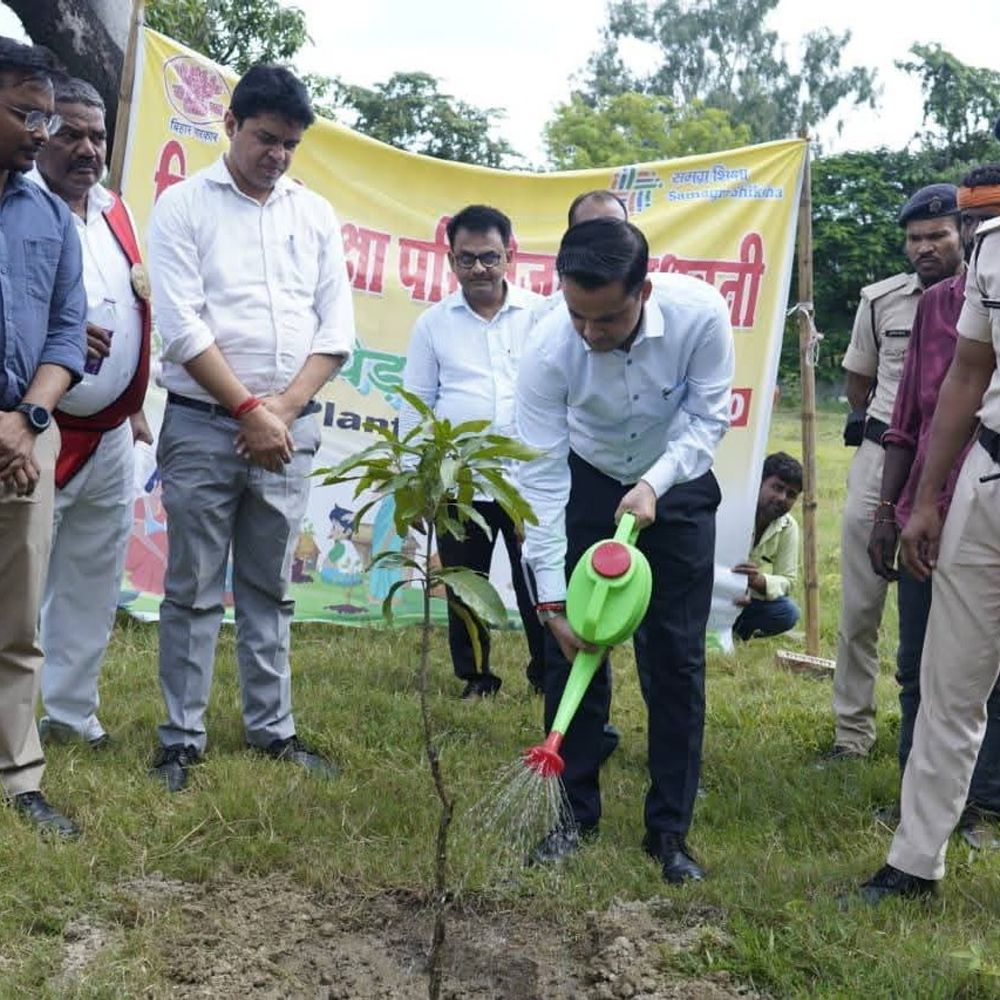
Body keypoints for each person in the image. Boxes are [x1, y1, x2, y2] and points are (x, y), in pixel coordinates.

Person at [146, 64, 355, 792]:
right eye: (266, 138)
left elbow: (336, 330)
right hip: (206, 427)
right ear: (230, 125)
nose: (278, 155)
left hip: (286, 431)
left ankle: (273, 730)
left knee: (270, 586)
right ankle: (181, 739)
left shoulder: (314, 214)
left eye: (291, 144)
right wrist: (247, 412)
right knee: (194, 586)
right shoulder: (182, 207)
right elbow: (180, 328)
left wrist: (282, 412)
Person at [517, 218, 733, 883]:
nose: (590, 332)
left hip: (677, 478)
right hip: (587, 477)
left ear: (644, 289)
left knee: (674, 659)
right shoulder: (548, 345)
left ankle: (668, 833)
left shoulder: (701, 315)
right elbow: (541, 480)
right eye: (578, 315)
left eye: (606, 318)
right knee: (573, 652)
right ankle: (573, 816)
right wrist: (552, 602)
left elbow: (708, 416)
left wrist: (654, 484)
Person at [858, 167, 1000, 902]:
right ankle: (913, 865)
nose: (973, 229)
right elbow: (965, 379)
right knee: (947, 683)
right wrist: (920, 502)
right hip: (986, 476)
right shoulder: (990, 259)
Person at [29, 77, 152, 750]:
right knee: (16, 582)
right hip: (35, 428)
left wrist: (131, 406)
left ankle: (71, 712)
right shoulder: (16, 207)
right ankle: (9, 714)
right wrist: (58, 342)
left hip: (108, 433)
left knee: (92, 577)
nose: (86, 149)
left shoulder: (115, 210)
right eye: (69, 132)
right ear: (41, 133)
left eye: (97, 136)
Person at [827, 184, 965, 762]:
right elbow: (860, 384)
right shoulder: (882, 301)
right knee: (860, 606)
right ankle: (851, 735)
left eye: (938, 235)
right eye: (915, 239)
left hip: (959, 463)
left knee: (945, 607)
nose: (925, 248)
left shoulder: (984, 296)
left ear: (965, 235)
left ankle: (939, 736)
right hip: (884, 456)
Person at [399, 204, 547, 700]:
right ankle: (477, 677)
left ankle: (548, 672)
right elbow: (416, 405)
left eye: (490, 257)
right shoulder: (433, 324)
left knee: (540, 582)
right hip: (458, 479)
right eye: (467, 259)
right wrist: (414, 485)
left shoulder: (543, 315)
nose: (480, 269)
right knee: (465, 584)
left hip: (531, 480)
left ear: (511, 254)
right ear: (450, 259)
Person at [0, 39, 87, 836]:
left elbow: (66, 332)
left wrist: (27, 420)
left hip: (24, 440)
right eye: (24, 113)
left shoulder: (52, 217)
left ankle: (19, 778)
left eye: (45, 115)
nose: (39, 131)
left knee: (17, 621)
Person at [731, 452, 801, 642]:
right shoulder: (734, 509)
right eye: (777, 488)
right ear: (759, 482)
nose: (782, 498)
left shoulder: (789, 527)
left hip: (748, 601)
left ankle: (737, 633)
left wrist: (758, 581)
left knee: (788, 613)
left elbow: (788, 580)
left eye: (791, 495)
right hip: (712, 591)